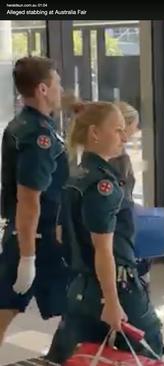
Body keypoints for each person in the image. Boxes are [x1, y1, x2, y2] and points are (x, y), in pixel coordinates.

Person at [57, 101, 164, 360]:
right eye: (117, 130)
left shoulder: (77, 175)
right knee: (149, 347)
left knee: (81, 356)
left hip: (80, 285)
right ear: (95, 133)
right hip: (117, 284)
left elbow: (61, 234)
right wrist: (112, 301)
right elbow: (104, 250)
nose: (124, 136)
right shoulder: (103, 184)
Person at [0, 56, 71, 361]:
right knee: (81, 301)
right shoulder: (38, 135)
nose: (61, 89)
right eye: (57, 84)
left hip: (36, 235)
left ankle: (60, 356)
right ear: (43, 88)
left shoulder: (27, 123)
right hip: (39, 239)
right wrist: (27, 257)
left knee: (75, 304)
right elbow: (29, 199)